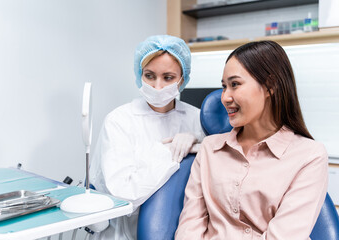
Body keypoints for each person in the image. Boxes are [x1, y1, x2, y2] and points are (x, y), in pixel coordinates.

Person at [175, 40, 328, 240]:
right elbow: (190, 227)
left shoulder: (309, 156)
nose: (224, 97)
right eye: (224, 87)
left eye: (235, 84)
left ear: (270, 86)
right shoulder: (209, 149)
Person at [88, 35, 205, 239]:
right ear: (139, 75)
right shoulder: (119, 121)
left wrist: (198, 141)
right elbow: (123, 193)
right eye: (150, 76)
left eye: (168, 77)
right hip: (124, 232)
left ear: (182, 79)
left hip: (183, 226)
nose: (157, 86)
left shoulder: (197, 118)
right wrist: (168, 153)